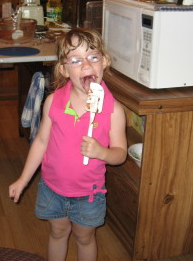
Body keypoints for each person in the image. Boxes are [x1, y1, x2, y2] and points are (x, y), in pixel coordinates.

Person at [9, 28, 127, 261]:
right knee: (58, 232)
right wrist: (23, 179)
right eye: (76, 60)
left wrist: (102, 152)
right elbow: (41, 141)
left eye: (93, 57)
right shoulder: (53, 101)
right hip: (52, 188)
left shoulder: (114, 110)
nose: (86, 65)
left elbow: (120, 154)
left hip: (88, 194)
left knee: (85, 238)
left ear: (104, 62)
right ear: (63, 69)